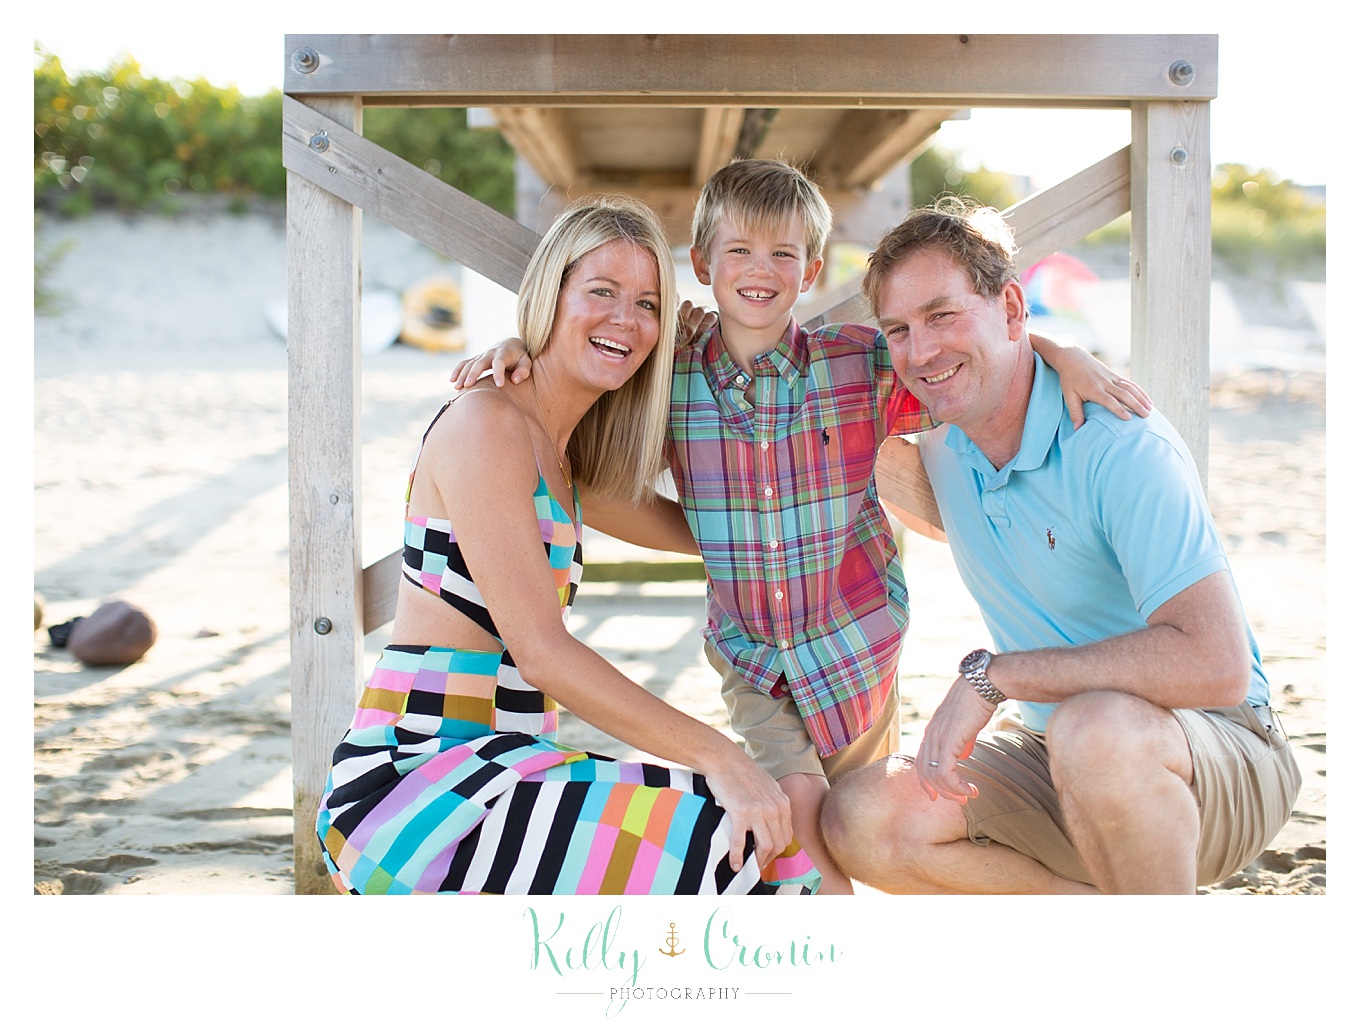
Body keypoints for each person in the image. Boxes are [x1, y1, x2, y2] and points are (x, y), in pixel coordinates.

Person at [450, 159, 1149, 893]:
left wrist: (1057, 352)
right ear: (701, 263)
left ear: (813, 267)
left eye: (784, 253)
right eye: (740, 252)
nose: (762, 271)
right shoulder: (669, 372)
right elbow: (575, 417)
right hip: (755, 664)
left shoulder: (860, 365)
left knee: (857, 831)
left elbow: (959, 356)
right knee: (810, 859)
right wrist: (518, 353)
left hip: (858, 648)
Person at [315, 195, 821, 895]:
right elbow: (542, 653)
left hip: (513, 762)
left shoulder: (569, 459)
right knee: (743, 853)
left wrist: (722, 353)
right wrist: (722, 756)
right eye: (601, 293)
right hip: (416, 782)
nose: (625, 319)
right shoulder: (487, 423)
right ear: (550, 295)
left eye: (647, 305)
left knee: (775, 846)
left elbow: (725, 535)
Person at [820, 197, 1302, 894]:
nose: (920, 351)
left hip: (1213, 749)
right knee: (863, 815)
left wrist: (1001, 675)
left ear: (1014, 310)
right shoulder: (936, 434)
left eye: (942, 315)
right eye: (898, 329)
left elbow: (1219, 664)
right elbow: (797, 379)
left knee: (1094, 730)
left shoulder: (1117, 442)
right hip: (1054, 754)